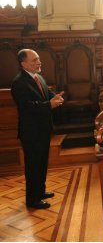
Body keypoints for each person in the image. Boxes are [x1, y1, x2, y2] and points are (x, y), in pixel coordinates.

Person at [11, 49, 65, 209]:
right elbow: (26, 107)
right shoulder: (18, 82)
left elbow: (48, 94)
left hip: (43, 129)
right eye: (34, 60)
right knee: (33, 166)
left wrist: (56, 97)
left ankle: (40, 191)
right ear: (24, 64)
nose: (39, 62)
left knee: (41, 163)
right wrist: (50, 104)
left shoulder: (38, 77)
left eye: (38, 59)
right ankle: (32, 199)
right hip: (30, 132)